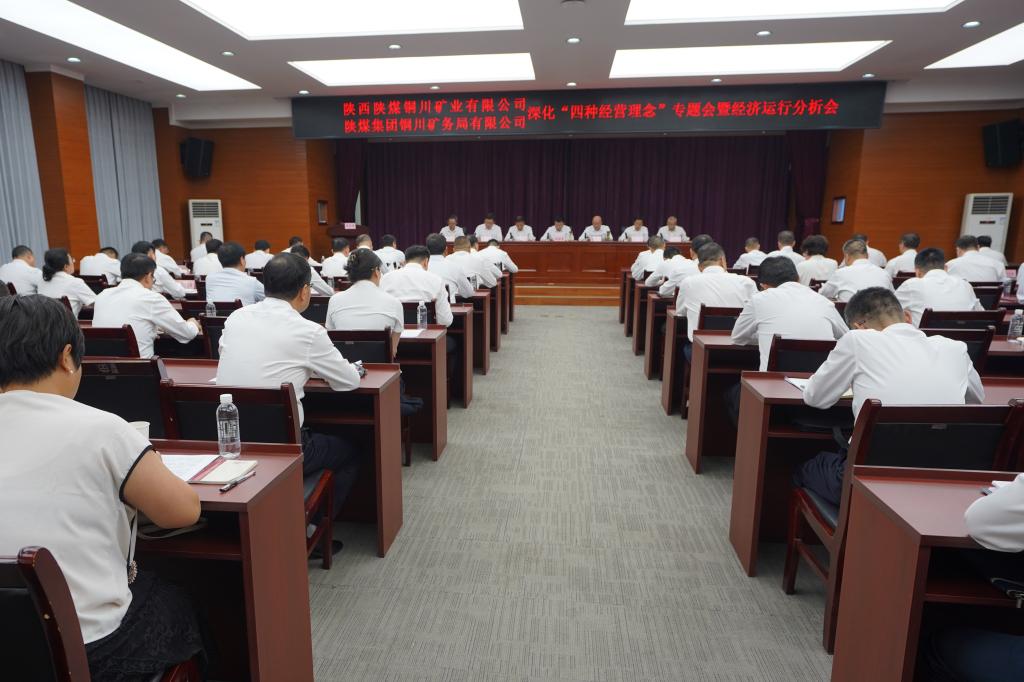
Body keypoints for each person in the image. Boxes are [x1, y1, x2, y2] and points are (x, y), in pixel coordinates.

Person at [0, 295, 206, 680]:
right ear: (67, 357)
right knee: (175, 601)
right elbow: (183, 512)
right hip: (85, 650)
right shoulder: (103, 429)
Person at [216, 254, 363, 542]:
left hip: (231, 440)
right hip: (286, 447)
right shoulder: (308, 331)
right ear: (304, 291)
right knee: (351, 451)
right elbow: (349, 381)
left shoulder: (236, 318)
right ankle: (311, 530)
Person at [796, 287, 983, 506]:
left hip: (868, 479)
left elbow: (816, 398)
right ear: (908, 317)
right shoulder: (954, 348)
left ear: (859, 326)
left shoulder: (857, 340)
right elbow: (976, 400)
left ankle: (845, 524)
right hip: (939, 477)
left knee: (805, 468)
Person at [731, 256, 848, 371]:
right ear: (798, 278)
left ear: (763, 285)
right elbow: (846, 338)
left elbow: (738, 338)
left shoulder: (758, 300)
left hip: (773, 382)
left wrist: (764, 337)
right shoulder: (824, 301)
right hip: (818, 380)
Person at [93, 254, 200, 358]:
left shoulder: (102, 296)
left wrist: (151, 328)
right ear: (148, 276)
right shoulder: (151, 298)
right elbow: (186, 333)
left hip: (101, 365)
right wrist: (193, 323)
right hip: (140, 367)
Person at [675, 243, 757, 358]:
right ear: (722, 260)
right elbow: (757, 315)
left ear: (699, 266)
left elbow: (680, 312)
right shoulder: (746, 282)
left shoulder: (688, 282)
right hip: (742, 352)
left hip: (702, 352)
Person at [326, 249, 404, 355]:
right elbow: (392, 351)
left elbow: (332, 339)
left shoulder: (334, 300)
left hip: (345, 364)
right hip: (380, 365)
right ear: (376, 272)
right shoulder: (394, 303)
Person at [895, 247, 983, 326]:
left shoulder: (911, 285)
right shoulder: (965, 285)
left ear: (917, 272)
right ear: (946, 268)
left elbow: (889, 311)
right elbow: (982, 315)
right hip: (965, 339)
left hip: (925, 339)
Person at [381, 245, 453, 327]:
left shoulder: (386, 278)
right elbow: (445, 321)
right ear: (426, 262)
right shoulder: (436, 280)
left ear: (405, 261)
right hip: (426, 334)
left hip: (394, 333)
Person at [819, 239, 894, 302]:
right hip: (882, 314)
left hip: (852, 314)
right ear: (867, 255)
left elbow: (822, 294)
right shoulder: (884, 273)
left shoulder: (841, 273)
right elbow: (893, 297)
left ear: (847, 256)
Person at [38, 248, 96, 315]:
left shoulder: (41, 282)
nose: (74, 262)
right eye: (72, 260)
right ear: (65, 266)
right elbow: (98, 303)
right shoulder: (74, 282)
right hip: (67, 322)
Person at [205, 241, 265, 305]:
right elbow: (270, 299)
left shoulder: (209, 279)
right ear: (242, 260)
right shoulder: (251, 282)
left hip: (216, 312)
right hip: (242, 312)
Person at [426, 234, 473, 301]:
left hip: (424, 307)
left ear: (427, 250)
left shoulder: (419, 268)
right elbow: (469, 293)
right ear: (446, 250)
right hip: (449, 306)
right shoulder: (455, 267)